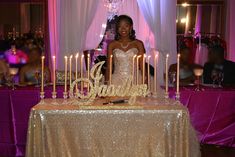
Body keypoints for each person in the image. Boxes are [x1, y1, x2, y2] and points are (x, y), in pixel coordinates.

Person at [105, 15, 146, 85]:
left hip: (135, 81)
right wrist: (106, 84)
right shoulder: (112, 45)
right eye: (120, 26)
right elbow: (109, 67)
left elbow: (143, 67)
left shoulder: (138, 44)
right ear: (117, 28)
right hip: (116, 82)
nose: (123, 29)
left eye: (126, 26)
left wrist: (145, 83)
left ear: (131, 27)